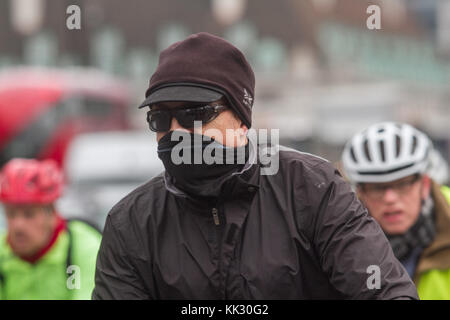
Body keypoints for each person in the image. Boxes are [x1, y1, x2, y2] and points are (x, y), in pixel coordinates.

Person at [92, 32, 418, 299]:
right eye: (160, 118)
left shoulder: (313, 189)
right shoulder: (130, 223)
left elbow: (385, 293)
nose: (176, 132)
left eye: (195, 114)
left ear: (241, 121)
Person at [342, 122, 450, 300]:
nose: (390, 198)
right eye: (377, 188)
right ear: (360, 193)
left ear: (424, 185)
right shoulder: (338, 242)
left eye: (403, 184)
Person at [0, 158, 102, 299]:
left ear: (52, 213)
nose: (18, 225)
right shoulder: (2, 253)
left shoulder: (83, 246)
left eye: (29, 214)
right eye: (11, 214)